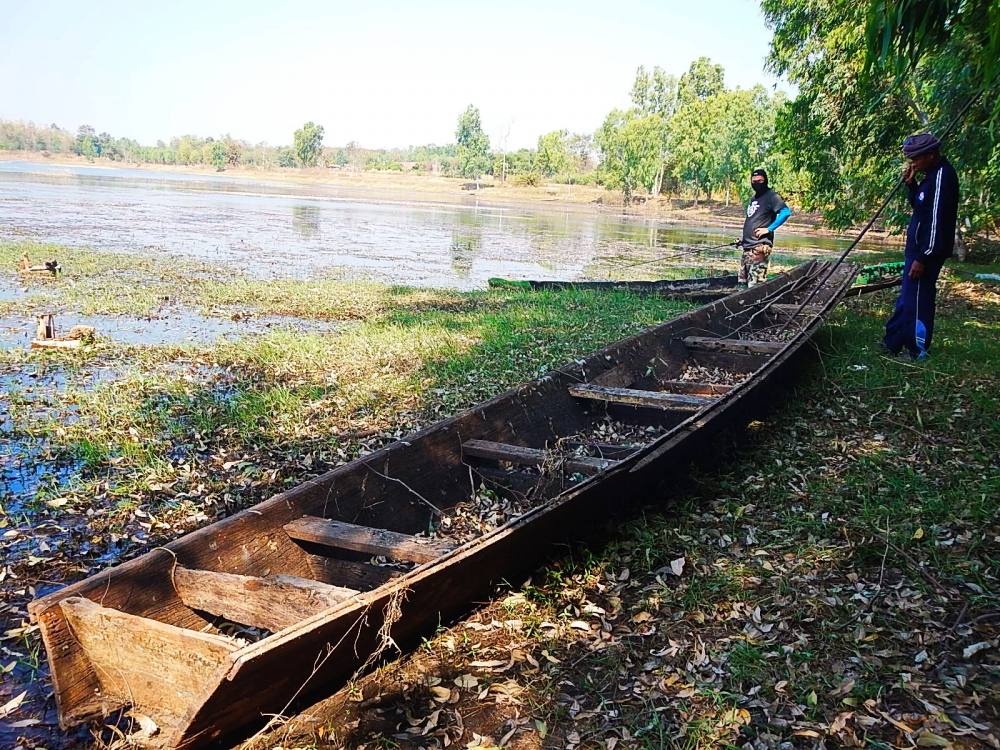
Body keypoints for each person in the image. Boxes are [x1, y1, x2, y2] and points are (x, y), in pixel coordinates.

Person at [883, 132, 959, 359]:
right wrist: (912, 186)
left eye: (915, 159)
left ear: (931, 155)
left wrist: (923, 257)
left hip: (926, 252)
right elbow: (921, 208)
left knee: (919, 300)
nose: (912, 163)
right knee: (907, 297)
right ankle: (894, 341)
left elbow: (936, 221)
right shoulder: (929, 175)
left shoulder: (942, 177)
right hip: (917, 249)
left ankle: (917, 349)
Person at [738, 168, 792, 287]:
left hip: (760, 247)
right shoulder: (754, 199)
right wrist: (744, 239)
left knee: (755, 287)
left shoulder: (771, 196)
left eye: (760, 181)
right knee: (742, 285)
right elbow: (754, 220)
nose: (757, 184)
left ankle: (757, 305)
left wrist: (769, 229)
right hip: (747, 248)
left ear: (765, 180)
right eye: (754, 181)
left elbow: (785, 212)